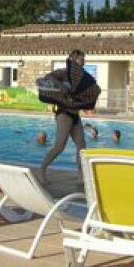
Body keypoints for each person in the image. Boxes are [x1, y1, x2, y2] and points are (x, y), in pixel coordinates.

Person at [39, 50, 90, 183]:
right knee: (60, 146)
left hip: (75, 116)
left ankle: (81, 177)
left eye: (84, 60)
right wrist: (61, 85)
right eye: (81, 60)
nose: (83, 62)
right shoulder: (63, 72)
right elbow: (48, 77)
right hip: (64, 114)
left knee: (81, 146)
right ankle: (41, 170)